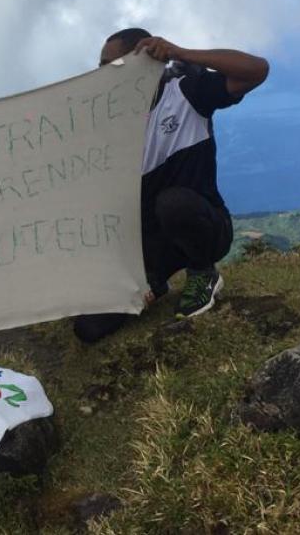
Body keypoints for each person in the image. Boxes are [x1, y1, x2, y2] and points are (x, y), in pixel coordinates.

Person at [73, 29, 269, 343]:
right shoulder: (109, 124)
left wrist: (180, 53)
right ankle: (156, 282)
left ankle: (203, 272)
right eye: (100, 65)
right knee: (88, 328)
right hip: (153, 247)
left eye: (111, 64)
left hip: (202, 225)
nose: (103, 73)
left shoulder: (187, 94)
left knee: (173, 203)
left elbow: (257, 70)